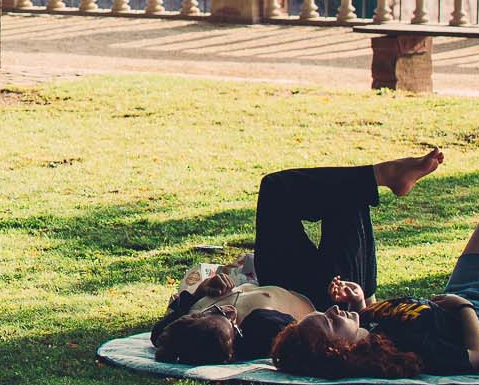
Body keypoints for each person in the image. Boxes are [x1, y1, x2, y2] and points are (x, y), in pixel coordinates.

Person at [153, 149, 444, 365]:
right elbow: (319, 341)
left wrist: (204, 291)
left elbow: (163, 331)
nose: (225, 311)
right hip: (326, 296)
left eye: (214, 311)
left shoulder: (180, 324)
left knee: (274, 189)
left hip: (279, 275)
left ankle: (380, 174)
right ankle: (384, 175)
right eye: (229, 321)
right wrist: (356, 306)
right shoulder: (260, 333)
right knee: (345, 202)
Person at [272, 205, 479, 379]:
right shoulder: (407, 351)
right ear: (339, 349)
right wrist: (464, 307)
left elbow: (396, 314)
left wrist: (361, 304)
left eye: (323, 312)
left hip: (464, 294)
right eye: (329, 322)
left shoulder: (370, 331)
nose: (330, 311)